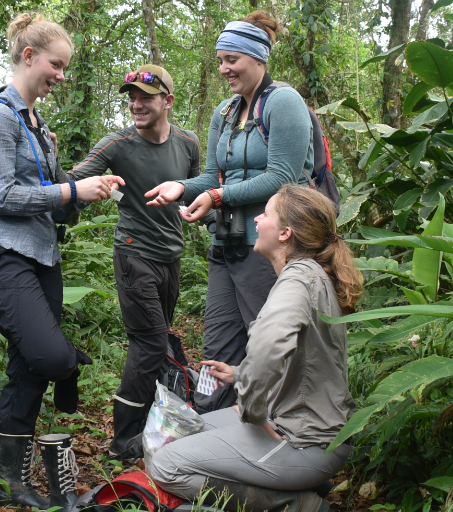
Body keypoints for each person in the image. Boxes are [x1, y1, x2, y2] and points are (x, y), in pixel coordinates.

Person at [0, 13, 124, 510]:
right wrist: (71, 188)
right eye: (56, 64)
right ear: (28, 56)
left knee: (27, 367)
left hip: (41, 255)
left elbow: (57, 199)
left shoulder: (38, 125)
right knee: (52, 358)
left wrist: (88, 192)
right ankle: (69, 366)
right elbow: (2, 196)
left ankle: (8, 480)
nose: (60, 75)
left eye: (65, 67)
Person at [147, 185, 364, 512]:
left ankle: (300, 504)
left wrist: (252, 403)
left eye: (266, 214)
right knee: (182, 435)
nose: (257, 220)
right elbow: (302, 359)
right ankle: (306, 486)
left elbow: (269, 344)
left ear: (285, 233)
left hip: (304, 442)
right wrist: (239, 374)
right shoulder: (310, 275)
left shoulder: (298, 280)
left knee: (165, 465)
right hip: (308, 433)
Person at [145, 11, 315, 412]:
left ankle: (284, 432)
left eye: (231, 60)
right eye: (220, 60)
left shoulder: (284, 102)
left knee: (268, 340)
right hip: (227, 244)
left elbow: (283, 177)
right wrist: (183, 188)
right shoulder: (224, 112)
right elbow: (210, 176)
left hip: (272, 246)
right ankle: (209, 427)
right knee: (216, 344)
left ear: (258, 57)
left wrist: (219, 197)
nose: (224, 68)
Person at [67, 64, 201, 461]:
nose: (136, 104)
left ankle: (152, 428)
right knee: (150, 342)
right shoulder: (117, 144)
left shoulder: (188, 143)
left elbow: (198, 188)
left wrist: (205, 212)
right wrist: (80, 181)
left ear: (168, 101)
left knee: (154, 342)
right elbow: (73, 181)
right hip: (133, 253)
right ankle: (124, 441)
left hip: (171, 256)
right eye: (132, 97)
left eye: (146, 97)